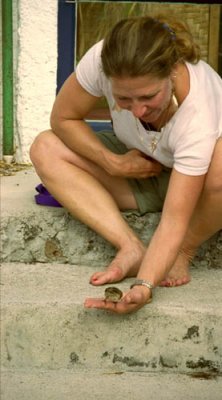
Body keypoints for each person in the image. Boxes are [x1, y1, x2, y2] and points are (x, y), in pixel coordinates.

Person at [30, 14, 222, 314]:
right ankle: (129, 245)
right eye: (123, 99)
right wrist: (112, 163)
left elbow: (172, 221)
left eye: (148, 96)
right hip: (143, 168)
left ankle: (184, 250)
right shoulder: (102, 60)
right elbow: (63, 118)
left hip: (203, 193)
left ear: (172, 71)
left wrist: (143, 286)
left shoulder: (198, 111)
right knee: (45, 147)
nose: (138, 111)